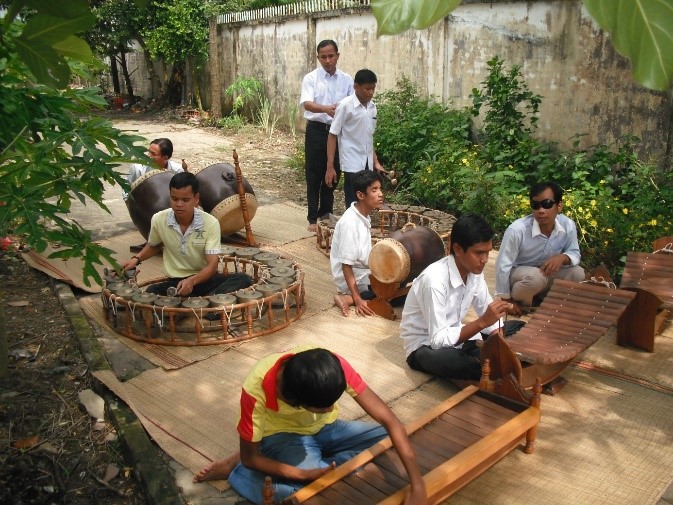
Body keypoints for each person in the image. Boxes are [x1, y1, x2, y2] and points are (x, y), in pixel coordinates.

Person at [193, 346, 427, 505]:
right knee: (313, 491)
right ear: (296, 401)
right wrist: (303, 475)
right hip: (283, 436)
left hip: (328, 429)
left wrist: (418, 485)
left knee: (395, 438)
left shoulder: (331, 365)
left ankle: (328, 464)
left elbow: (389, 419)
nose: (329, 408)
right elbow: (250, 458)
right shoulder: (256, 389)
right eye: (322, 406)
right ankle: (237, 475)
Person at [400, 214, 511, 381]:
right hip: (426, 347)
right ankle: (491, 367)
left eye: (488, 253)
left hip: (459, 339)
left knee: (517, 329)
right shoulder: (434, 280)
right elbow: (438, 339)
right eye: (479, 253)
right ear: (458, 249)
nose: (484, 260)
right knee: (457, 363)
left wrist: (498, 335)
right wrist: (482, 323)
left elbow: (488, 314)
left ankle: (492, 364)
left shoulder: (474, 272)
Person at [121, 172, 252, 297]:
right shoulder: (158, 219)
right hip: (175, 283)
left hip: (203, 280)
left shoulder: (210, 223)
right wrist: (136, 259)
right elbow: (154, 245)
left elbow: (212, 266)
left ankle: (199, 303)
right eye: (174, 198)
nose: (179, 204)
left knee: (243, 279)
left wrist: (192, 281)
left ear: (196, 199)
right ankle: (207, 304)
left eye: (185, 200)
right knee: (151, 291)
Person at [495, 181, 585, 315]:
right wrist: (505, 299)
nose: (541, 210)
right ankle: (523, 306)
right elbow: (503, 265)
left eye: (547, 204)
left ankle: (548, 304)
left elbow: (575, 253)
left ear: (559, 206)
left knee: (578, 273)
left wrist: (562, 258)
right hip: (520, 277)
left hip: (543, 276)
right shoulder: (517, 230)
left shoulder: (568, 225)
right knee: (536, 277)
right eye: (536, 205)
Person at [300, 40, 354, 233]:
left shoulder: (347, 80)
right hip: (316, 130)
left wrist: (340, 113)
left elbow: (351, 103)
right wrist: (325, 108)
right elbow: (307, 103)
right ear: (318, 57)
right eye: (323, 57)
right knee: (314, 173)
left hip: (338, 132)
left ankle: (326, 212)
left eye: (331, 56)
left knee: (334, 172)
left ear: (337, 56)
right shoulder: (311, 78)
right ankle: (312, 217)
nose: (328, 60)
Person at [327, 68, 385, 209]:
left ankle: (364, 227)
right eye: (367, 89)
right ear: (356, 87)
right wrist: (330, 166)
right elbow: (333, 134)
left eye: (373, 88)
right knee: (353, 202)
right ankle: (351, 229)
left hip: (367, 163)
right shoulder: (345, 106)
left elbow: (368, 137)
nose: (371, 92)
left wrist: (375, 162)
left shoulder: (372, 107)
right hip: (351, 161)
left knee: (368, 200)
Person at [330, 170, 384, 317]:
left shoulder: (362, 214)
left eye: (380, 189)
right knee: (389, 294)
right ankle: (347, 297)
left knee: (400, 281)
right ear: (361, 195)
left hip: (363, 270)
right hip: (353, 277)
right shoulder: (350, 224)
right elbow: (346, 266)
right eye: (374, 190)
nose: (380, 194)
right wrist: (357, 298)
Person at [125, 138, 188, 252]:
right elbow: (126, 190)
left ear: (165, 157)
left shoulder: (177, 170)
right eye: (148, 152)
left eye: (153, 154)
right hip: (144, 209)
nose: (148, 156)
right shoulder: (137, 168)